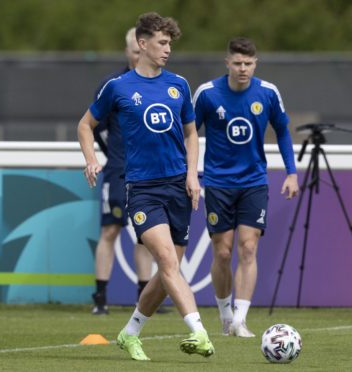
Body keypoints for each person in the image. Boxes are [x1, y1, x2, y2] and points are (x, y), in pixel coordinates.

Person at [78, 12, 214, 361]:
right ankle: (199, 332)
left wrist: (192, 174)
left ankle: (130, 332)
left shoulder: (179, 85)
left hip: (178, 188)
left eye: (170, 43)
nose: (168, 49)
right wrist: (91, 159)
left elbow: (190, 133)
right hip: (142, 189)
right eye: (162, 42)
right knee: (168, 261)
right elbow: (85, 124)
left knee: (168, 274)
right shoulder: (118, 87)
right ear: (142, 43)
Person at [193, 37, 299, 337]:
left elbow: (282, 132)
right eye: (237, 63)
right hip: (217, 183)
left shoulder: (267, 93)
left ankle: (240, 319)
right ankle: (225, 314)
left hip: (254, 182)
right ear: (227, 62)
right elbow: (187, 132)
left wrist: (292, 173)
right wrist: (188, 173)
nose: (243, 69)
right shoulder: (208, 94)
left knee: (249, 247)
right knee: (223, 253)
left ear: (256, 63)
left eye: (248, 63)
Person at [91, 27, 168, 315]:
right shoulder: (113, 84)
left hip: (148, 173)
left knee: (146, 236)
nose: (139, 56)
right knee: (110, 229)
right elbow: (93, 127)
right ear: (129, 51)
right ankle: (100, 297)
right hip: (117, 171)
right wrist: (111, 155)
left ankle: (144, 296)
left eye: (142, 51)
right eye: (135, 52)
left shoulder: (162, 84)